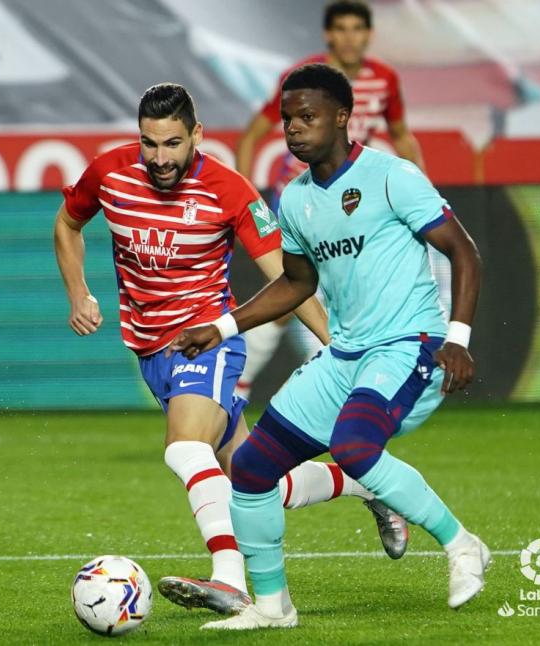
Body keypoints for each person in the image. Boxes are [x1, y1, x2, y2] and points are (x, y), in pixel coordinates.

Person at [54, 82, 410, 618]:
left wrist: (339, 347)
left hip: (208, 340)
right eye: (150, 144)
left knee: (182, 448)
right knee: (255, 480)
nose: (160, 158)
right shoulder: (108, 173)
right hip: (151, 352)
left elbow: (289, 278)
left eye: (173, 143)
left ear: (196, 134)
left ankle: (229, 578)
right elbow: (67, 224)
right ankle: (365, 482)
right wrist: (78, 292)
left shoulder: (229, 189)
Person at [172, 63, 488, 631]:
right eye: (288, 119)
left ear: (343, 117)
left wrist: (458, 339)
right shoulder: (294, 200)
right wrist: (220, 328)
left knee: (354, 447)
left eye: (308, 117)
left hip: (406, 345)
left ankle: (463, 544)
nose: (294, 129)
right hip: (345, 356)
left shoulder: (394, 177)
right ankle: (272, 607)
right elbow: (296, 284)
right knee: (249, 469)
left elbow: (464, 252)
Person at [235, 0, 425, 401]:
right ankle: (250, 384)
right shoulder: (306, 80)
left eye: (358, 28)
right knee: (295, 295)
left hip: (350, 202)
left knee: (322, 296)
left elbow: (403, 135)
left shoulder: (384, 79)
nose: (350, 37)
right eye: (342, 28)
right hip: (300, 197)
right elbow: (253, 135)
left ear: (369, 35)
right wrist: (250, 201)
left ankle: (257, 385)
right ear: (328, 34)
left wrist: (422, 190)